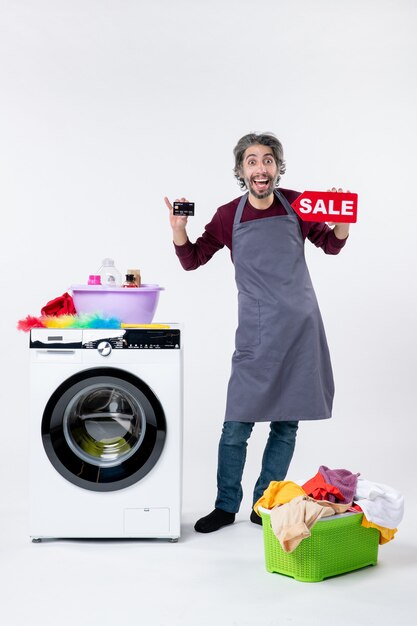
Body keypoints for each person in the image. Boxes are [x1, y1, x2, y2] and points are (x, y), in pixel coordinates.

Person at [164, 132, 350, 533]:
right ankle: (225, 505)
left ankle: (263, 503)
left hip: (300, 329)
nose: (260, 168)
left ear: (277, 168)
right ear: (241, 171)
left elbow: (331, 245)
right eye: (251, 161)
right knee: (236, 425)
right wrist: (179, 229)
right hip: (256, 332)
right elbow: (193, 259)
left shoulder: (299, 204)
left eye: (267, 160)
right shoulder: (227, 215)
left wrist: (341, 223)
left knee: (285, 425)